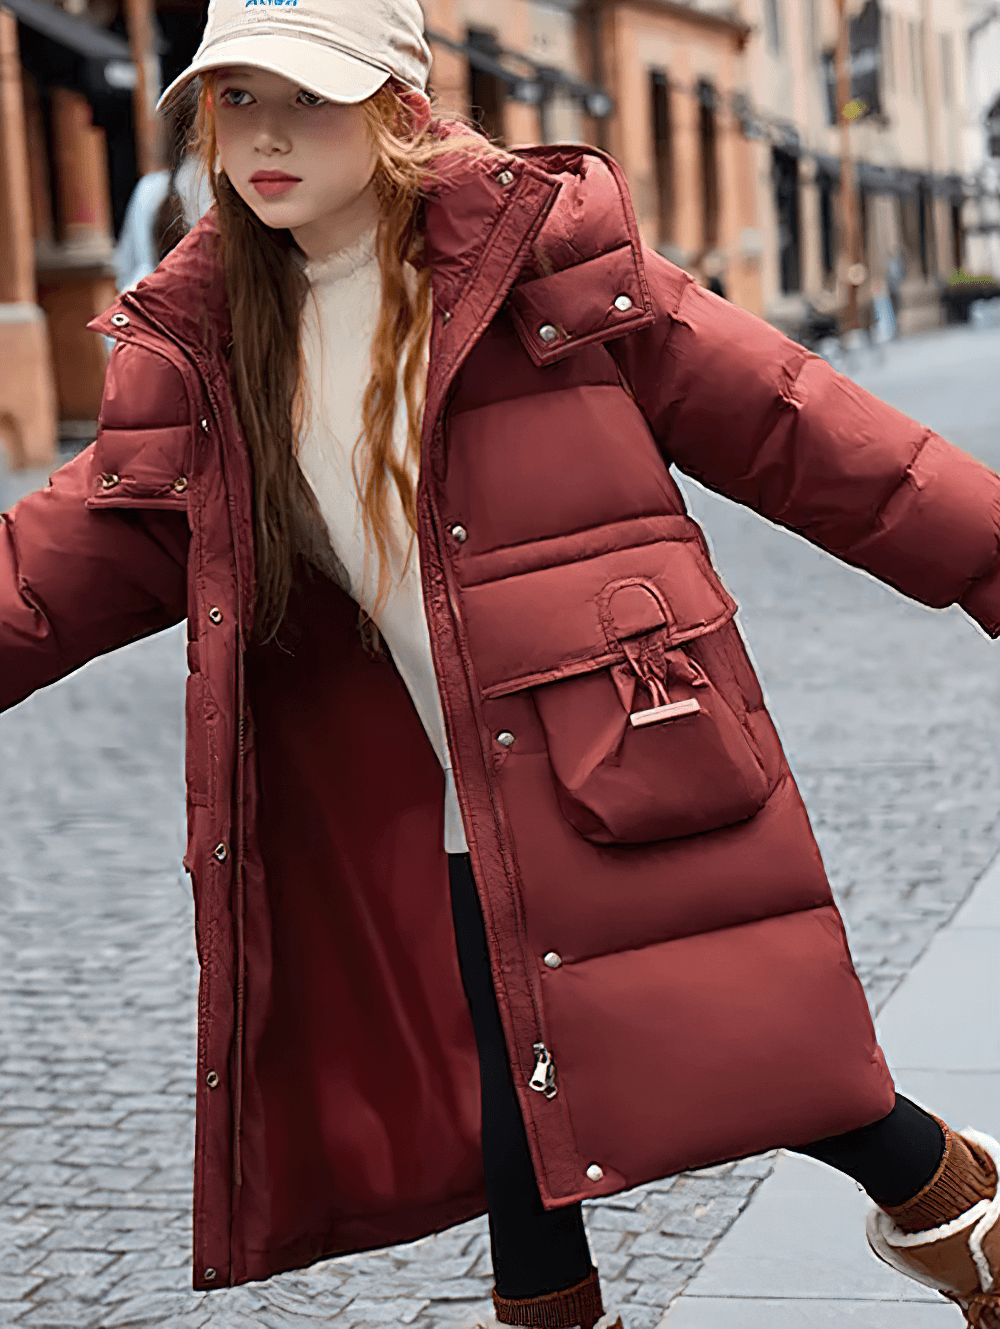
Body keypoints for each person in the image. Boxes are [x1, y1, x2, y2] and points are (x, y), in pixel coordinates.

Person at [1, 3, 998, 1326]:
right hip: (433, 778)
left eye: (307, 95)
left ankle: (953, 1211)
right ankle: (948, 1215)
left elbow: (804, 428)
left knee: (747, 1050)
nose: (266, 135)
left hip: (615, 742)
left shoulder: (542, 258)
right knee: (533, 1084)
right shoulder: (208, 343)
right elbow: (56, 561)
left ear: (394, 101)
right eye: (235, 101)